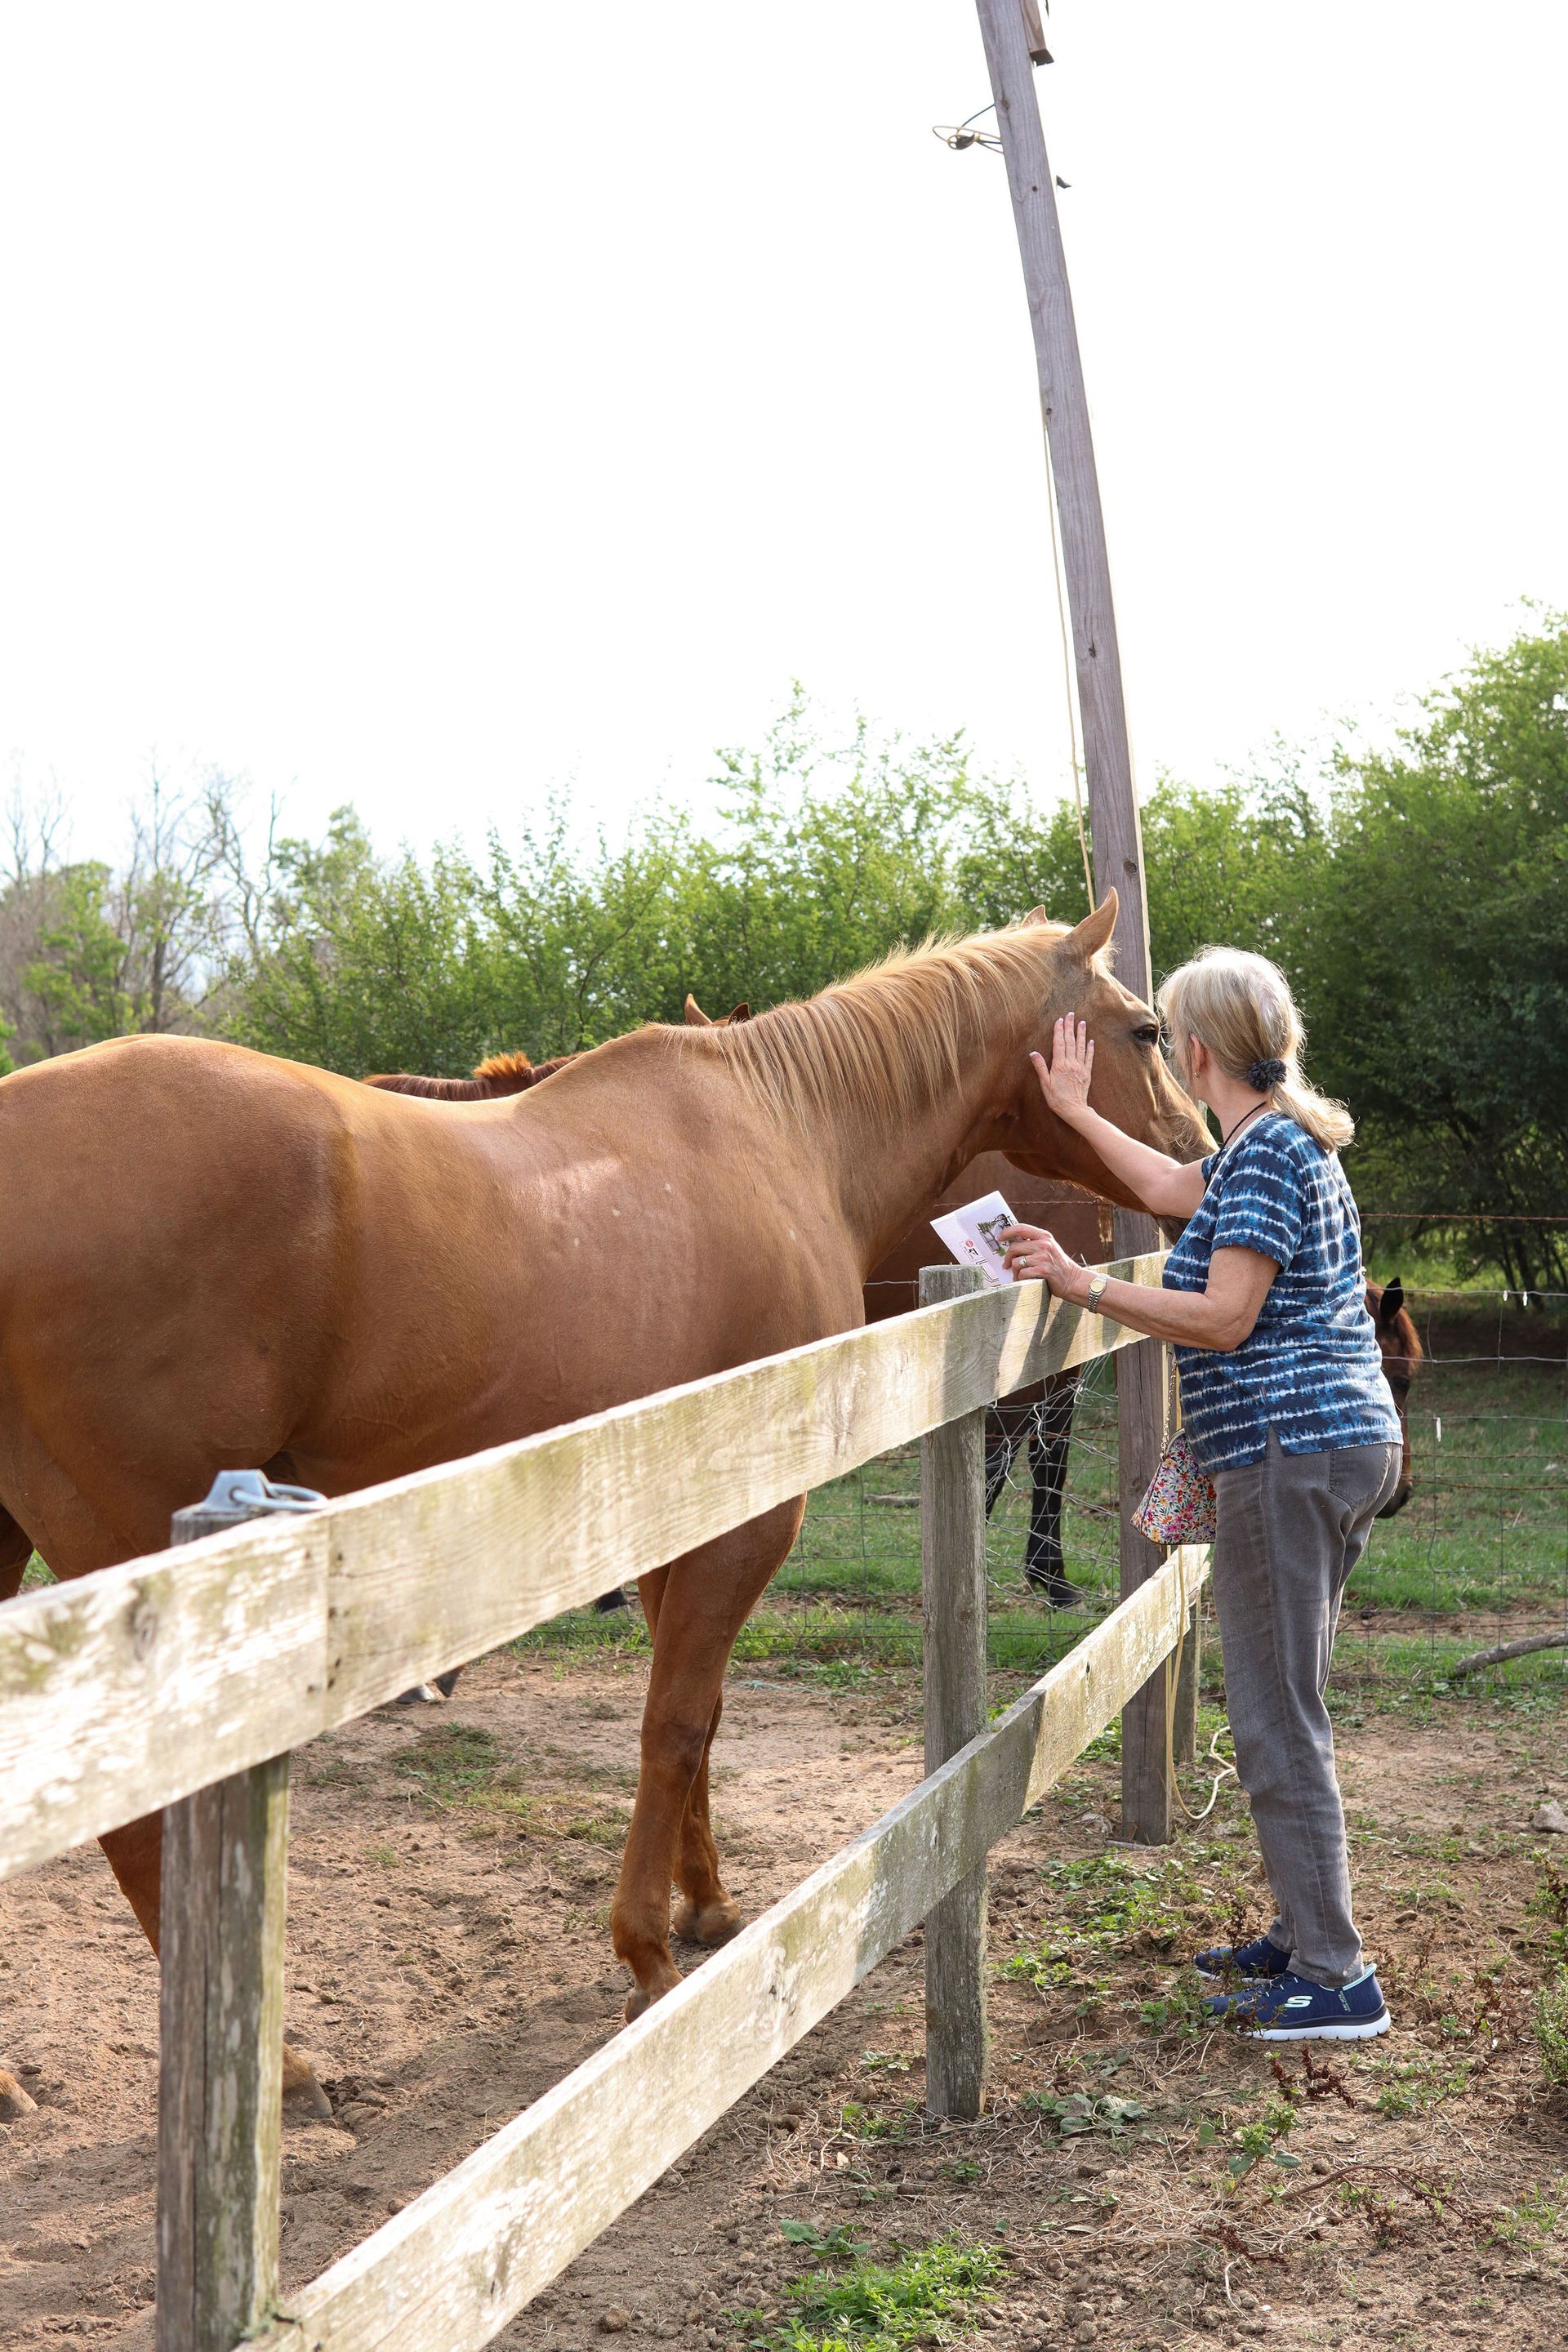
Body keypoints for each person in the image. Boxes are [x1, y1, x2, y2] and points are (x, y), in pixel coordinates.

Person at [1000, 947, 1400, 2042]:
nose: (1172, 1053)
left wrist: (1088, 1286)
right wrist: (1078, 1114)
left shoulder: (1266, 1157)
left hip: (1289, 1453)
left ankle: (1337, 1974)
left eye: (1172, 1037)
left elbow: (1226, 1316)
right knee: (1286, 1700)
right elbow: (1167, 1188)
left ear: (1200, 1048)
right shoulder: (1268, 1147)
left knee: (1276, 1716)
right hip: (1324, 1448)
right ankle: (1304, 1931)